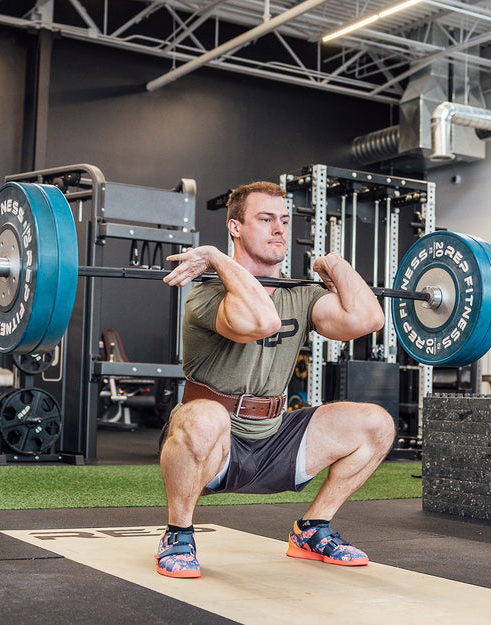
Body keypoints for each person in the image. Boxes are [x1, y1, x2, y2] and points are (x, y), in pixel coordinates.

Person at [155, 180, 395, 579]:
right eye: (266, 219)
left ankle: (311, 530)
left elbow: (368, 319)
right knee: (202, 418)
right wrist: (216, 259)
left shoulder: (300, 293)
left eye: (284, 220)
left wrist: (335, 264)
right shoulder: (205, 293)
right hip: (218, 439)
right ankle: (178, 534)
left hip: (276, 434)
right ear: (236, 227)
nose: (280, 229)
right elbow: (261, 321)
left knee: (377, 424)